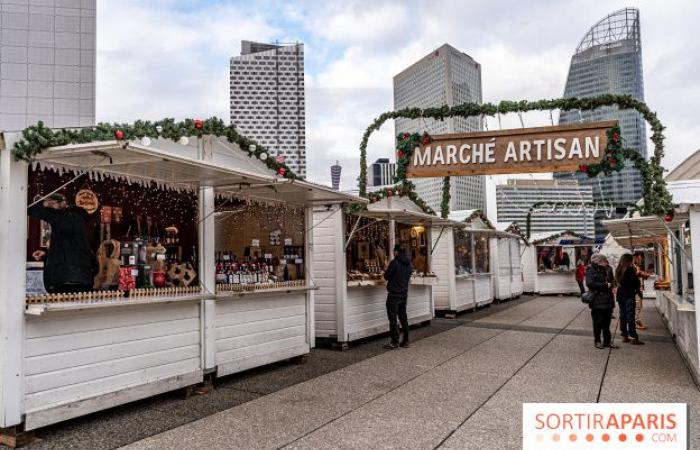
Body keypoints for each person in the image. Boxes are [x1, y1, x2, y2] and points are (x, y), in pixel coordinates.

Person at [28, 193, 97, 293]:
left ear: (63, 203)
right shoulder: (74, 219)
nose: (50, 207)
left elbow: (32, 210)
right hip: (78, 278)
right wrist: (47, 254)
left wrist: (43, 203)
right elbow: (70, 249)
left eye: (52, 204)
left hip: (69, 281)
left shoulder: (67, 217)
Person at [383, 244, 413, 349]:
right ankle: (406, 341)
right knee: (403, 317)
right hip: (404, 293)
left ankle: (395, 341)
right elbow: (409, 275)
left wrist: (386, 269)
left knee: (393, 319)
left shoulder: (394, 263)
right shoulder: (409, 264)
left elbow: (386, 276)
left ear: (396, 252)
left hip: (394, 294)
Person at [586, 253, 617, 349]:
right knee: (598, 323)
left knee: (607, 323)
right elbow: (590, 283)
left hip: (607, 299)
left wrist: (611, 284)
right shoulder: (591, 270)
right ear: (598, 262)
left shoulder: (607, 269)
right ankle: (597, 341)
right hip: (597, 300)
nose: (605, 262)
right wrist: (604, 285)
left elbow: (612, 281)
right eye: (604, 261)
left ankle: (607, 342)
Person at [615, 254, 645, 345]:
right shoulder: (630, 269)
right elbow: (635, 282)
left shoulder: (618, 269)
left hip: (620, 295)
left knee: (623, 315)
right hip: (629, 294)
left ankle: (624, 335)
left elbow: (619, 282)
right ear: (629, 260)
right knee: (630, 316)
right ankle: (633, 337)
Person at [633, 254, 650, 330]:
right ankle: (635, 320)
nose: (640, 261)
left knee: (639, 306)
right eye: (639, 259)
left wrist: (643, 275)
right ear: (635, 258)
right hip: (635, 290)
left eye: (641, 259)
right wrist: (640, 274)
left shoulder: (637, 267)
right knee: (637, 305)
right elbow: (633, 276)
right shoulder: (632, 267)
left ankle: (637, 319)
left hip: (639, 288)